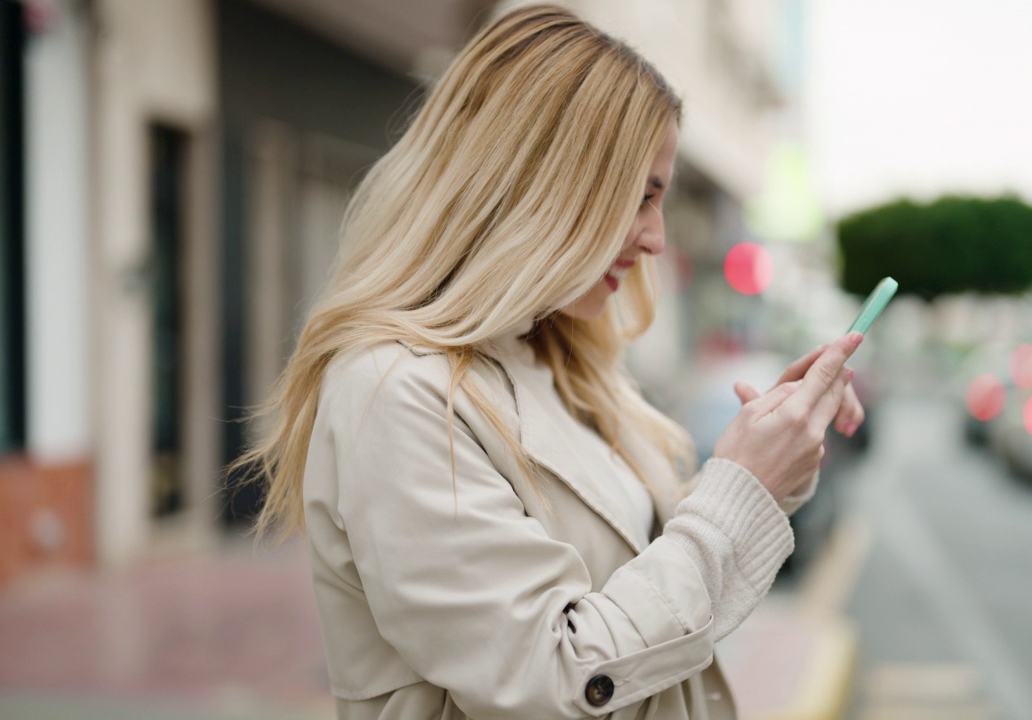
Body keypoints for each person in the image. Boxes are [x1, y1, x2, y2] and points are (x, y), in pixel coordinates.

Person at [235, 5, 865, 719]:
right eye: (640, 197)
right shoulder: (394, 390)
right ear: (543, 185)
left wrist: (769, 470)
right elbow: (553, 682)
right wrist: (737, 494)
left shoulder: (555, 361)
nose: (655, 238)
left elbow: (644, 586)